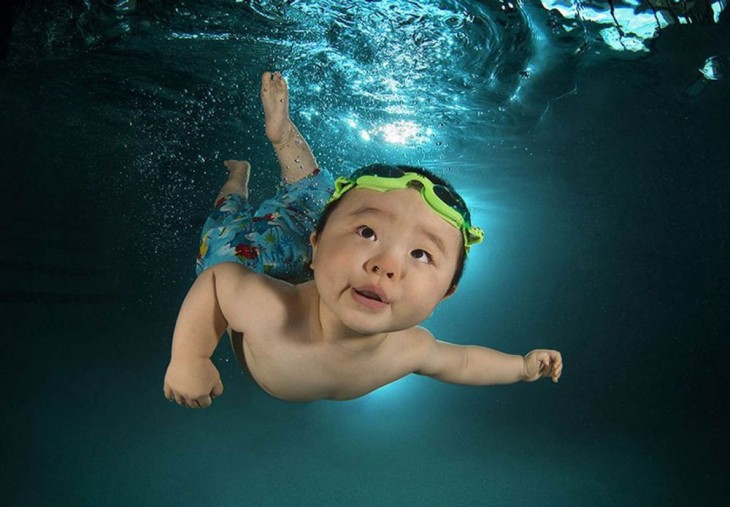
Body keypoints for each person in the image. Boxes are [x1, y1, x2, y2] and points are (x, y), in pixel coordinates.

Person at [163, 71, 563, 408]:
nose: (386, 265)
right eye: (369, 233)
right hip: (251, 261)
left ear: (447, 292)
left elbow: (462, 363)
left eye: (421, 253)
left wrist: (522, 367)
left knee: (325, 203)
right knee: (224, 240)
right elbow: (216, 284)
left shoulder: (409, 349)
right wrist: (189, 356)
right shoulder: (266, 309)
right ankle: (251, 167)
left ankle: (274, 181)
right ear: (316, 244)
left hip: (321, 259)